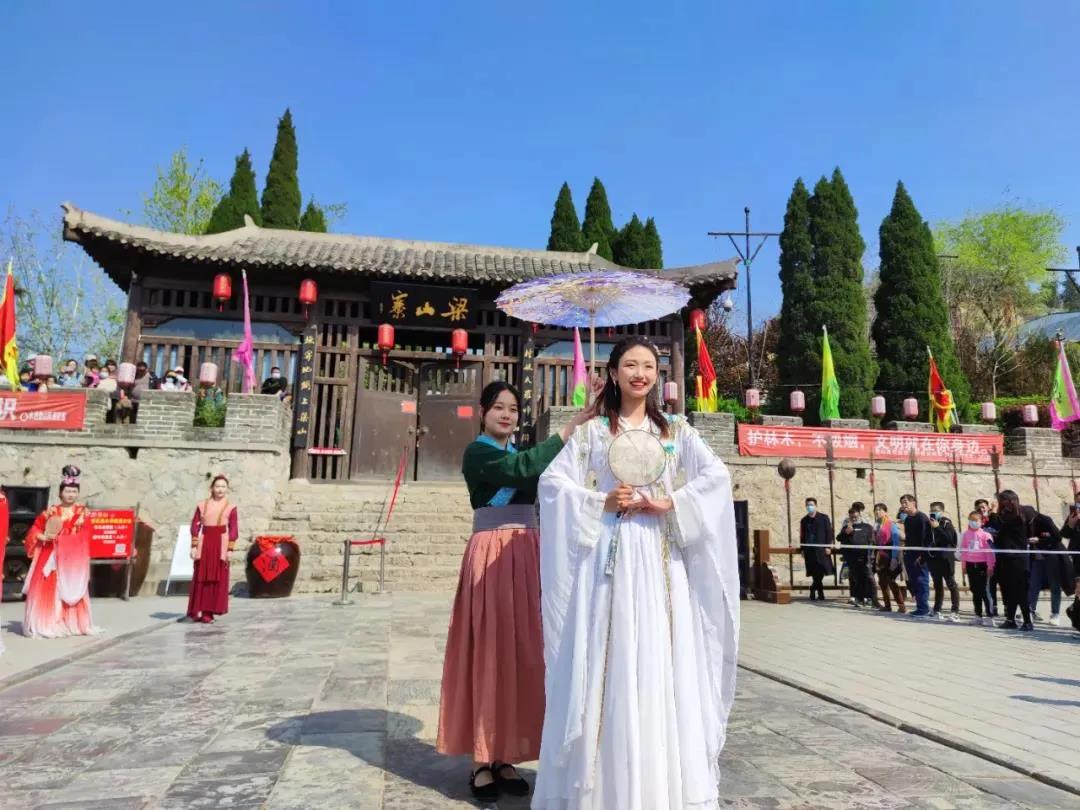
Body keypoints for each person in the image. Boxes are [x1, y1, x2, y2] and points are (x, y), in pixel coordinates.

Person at [534, 336, 739, 810]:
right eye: (630, 365)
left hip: (660, 554)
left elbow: (716, 477)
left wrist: (671, 501)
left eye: (649, 365)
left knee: (659, 655)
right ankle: (604, 786)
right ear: (613, 373)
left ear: (657, 375)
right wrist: (600, 500)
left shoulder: (675, 431)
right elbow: (553, 483)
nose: (640, 374)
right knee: (609, 652)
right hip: (610, 551)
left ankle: (658, 786)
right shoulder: (592, 432)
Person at [437, 381, 591, 802]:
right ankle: (481, 759)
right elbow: (521, 470)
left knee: (523, 654)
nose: (507, 415)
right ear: (482, 412)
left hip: (527, 552)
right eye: (498, 408)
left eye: (513, 409)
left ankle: (506, 755)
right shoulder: (478, 453)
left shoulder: (522, 453)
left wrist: (593, 417)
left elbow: (554, 477)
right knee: (489, 652)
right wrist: (570, 426)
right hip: (491, 552)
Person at [22, 466, 95, 637]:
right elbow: (35, 528)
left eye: (74, 491)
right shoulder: (51, 512)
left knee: (72, 587)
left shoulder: (83, 513)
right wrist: (41, 536)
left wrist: (68, 540)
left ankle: (71, 623)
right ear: (60, 493)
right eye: (67, 491)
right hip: (52, 555)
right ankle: (47, 622)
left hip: (72, 557)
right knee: (50, 588)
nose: (71, 494)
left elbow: (87, 534)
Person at [187, 474, 237, 624]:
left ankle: (208, 613)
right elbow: (195, 525)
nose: (220, 489)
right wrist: (194, 546)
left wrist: (230, 549)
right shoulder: (202, 505)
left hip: (221, 543)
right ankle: (195, 610)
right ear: (212, 488)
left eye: (223, 486)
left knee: (216, 577)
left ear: (227, 489)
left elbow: (233, 529)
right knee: (200, 576)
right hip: (205, 542)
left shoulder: (231, 508)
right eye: (217, 486)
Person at [989, 491, 1033, 631]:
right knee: (1008, 590)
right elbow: (1001, 533)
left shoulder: (1020, 516)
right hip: (1005, 559)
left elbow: (1002, 528)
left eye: (1004, 501)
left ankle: (1027, 621)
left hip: (1018, 559)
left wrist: (994, 514)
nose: (1002, 504)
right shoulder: (1005, 516)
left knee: (1021, 591)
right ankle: (1010, 619)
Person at [1025, 505, 1071, 625]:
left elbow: (1057, 537)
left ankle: (1055, 614)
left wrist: (1039, 540)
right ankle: (1030, 611)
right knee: (1033, 585)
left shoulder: (1045, 520)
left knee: (1054, 585)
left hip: (1052, 557)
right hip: (1037, 558)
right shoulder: (1024, 522)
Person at [959, 510, 996, 625]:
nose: (973, 522)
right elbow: (964, 551)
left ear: (981, 522)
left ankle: (990, 616)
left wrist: (990, 566)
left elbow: (990, 553)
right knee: (975, 590)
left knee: (984, 590)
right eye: (971, 520)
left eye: (976, 520)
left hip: (982, 565)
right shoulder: (966, 534)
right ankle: (978, 615)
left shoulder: (986, 535)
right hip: (970, 565)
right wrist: (964, 565)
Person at [838, 502, 876, 608]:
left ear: (859, 513)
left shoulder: (867, 524)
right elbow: (840, 538)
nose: (854, 518)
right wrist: (846, 532)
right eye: (852, 516)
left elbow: (872, 540)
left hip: (865, 556)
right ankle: (857, 598)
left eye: (856, 515)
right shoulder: (846, 524)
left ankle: (870, 598)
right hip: (851, 556)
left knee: (867, 577)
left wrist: (871, 554)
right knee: (855, 577)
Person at [899, 495, 932, 617]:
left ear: (914, 503)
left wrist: (922, 555)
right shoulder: (908, 519)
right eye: (902, 503)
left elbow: (927, 538)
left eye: (906, 502)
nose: (903, 505)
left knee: (921, 581)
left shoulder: (922, 518)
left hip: (920, 555)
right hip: (910, 554)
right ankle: (920, 606)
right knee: (914, 581)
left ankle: (924, 608)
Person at [927, 501, 961, 621]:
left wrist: (938, 527)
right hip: (934, 558)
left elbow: (949, 540)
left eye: (936, 510)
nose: (933, 512)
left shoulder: (946, 523)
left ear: (942, 511)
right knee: (937, 585)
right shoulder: (930, 523)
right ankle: (937, 610)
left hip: (946, 558)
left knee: (951, 584)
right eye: (931, 510)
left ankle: (955, 611)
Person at [800, 496, 834, 601]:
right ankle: (820, 593)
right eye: (808, 505)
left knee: (822, 570)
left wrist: (828, 546)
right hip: (809, 550)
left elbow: (829, 532)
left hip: (821, 549)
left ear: (816, 506)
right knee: (815, 572)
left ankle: (813, 588)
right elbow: (802, 535)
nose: (809, 507)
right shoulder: (804, 520)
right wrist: (802, 549)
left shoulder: (823, 518)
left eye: (811, 505)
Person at [873, 503, 904, 613]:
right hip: (880, 555)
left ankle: (901, 605)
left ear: (885, 511)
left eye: (880, 510)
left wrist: (894, 558)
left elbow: (896, 541)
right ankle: (887, 605)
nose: (877, 512)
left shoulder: (891, 524)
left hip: (890, 555)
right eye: (876, 510)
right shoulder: (876, 525)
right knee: (882, 581)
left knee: (891, 581)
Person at [975, 498, 999, 617]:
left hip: (998, 556)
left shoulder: (994, 518)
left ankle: (1007, 607)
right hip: (985, 557)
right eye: (979, 508)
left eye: (983, 507)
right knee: (990, 584)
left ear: (988, 507)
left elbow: (997, 527)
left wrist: (993, 513)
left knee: (1003, 582)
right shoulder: (978, 522)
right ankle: (993, 606)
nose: (981, 509)